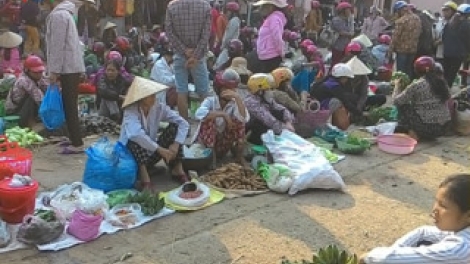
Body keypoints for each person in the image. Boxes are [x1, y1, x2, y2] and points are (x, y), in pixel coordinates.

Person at [359, 173, 470, 264]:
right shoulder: (462, 230)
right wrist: (395, 251)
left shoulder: (459, 249)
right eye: (436, 201)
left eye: (443, 206)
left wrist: (367, 258)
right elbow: (423, 232)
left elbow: (384, 259)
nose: (435, 209)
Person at [119, 77, 190, 191]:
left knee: (174, 128)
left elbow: (183, 123)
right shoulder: (131, 110)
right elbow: (134, 134)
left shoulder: (158, 107)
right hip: (131, 158)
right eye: (151, 95)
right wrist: (160, 149)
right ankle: (144, 178)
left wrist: (176, 145)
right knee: (134, 140)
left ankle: (177, 169)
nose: (154, 98)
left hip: (150, 154)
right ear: (141, 98)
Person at [45, 0, 86, 154]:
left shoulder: (59, 16)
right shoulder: (66, 14)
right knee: (69, 104)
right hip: (71, 66)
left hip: (67, 67)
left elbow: (57, 45)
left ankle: (77, 143)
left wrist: (53, 70)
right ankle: (73, 138)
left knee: (69, 105)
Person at [193, 69, 250, 168]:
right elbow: (199, 114)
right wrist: (223, 115)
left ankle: (239, 157)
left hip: (223, 143)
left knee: (239, 123)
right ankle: (212, 160)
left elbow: (244, 119)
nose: (231, 92)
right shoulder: (210, 101)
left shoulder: (234, 103)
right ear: (219, 89)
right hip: (206, 145)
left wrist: (238, 98)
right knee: (209, 120)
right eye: (227, 89)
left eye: (233, 90)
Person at [165, 0, 211, 122]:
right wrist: (195, 55)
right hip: (198, 57)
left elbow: (169, 32)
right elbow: (206, 34)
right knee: (203, 92)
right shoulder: (205, 5)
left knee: (181, 91)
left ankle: (184, 126)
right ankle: (205, 126)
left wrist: (184, 51)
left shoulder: (172, 6)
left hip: (180, 55)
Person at [393, 56, 451, 141]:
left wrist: (397, 86)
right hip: (444, 128)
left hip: (427, 128)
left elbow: (396, 101)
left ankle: (412, 132)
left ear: (417, 71)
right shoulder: (442, 83)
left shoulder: (417, 85)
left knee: (403, 106)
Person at [244, 73, 295, 145]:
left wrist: (288, 121)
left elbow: (281, 109)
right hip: (254, 132)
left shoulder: (266, 98)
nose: (271, 91)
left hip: (270, 127)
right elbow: (267, 119)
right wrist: (285, 129)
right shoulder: (251, 102)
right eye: (269, 89)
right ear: (260, 91)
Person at [5, 55, 47, 128]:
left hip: (22, 111)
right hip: (15, 113)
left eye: (40, 72)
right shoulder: (24, 80)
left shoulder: (37, 78)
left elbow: (47, 86)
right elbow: (40, 100)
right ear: (27, 70)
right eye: (36, 72)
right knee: (31, 98)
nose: (39, 74)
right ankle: (31, 124)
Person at [344, 56, 386, 120]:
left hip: (360, 100)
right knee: (350, 97)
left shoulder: (364, 78)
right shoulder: (345, 78)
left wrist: (359, 107)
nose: (356, 76)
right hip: (348, 101)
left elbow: (363, 95)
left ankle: (362, 110)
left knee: (382, 97)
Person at [388, 1, 422, 78]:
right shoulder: (417, 19)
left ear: (400, 10)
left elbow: (395, 38)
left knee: (400, 73)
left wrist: (389, 52)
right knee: (408, 71)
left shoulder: (401, 21)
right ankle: (408, 88)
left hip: (401, 50)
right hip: (413, 49)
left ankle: (400, 88)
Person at [254, 0, 288, 73]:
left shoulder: (274, 18)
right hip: (266, 56)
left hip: (271, 57)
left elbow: (277, 37)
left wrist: (281, 53)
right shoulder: (270, 18)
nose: (261, 8)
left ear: (271, 7)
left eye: (264, 5)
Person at [442, 3, 470, 87]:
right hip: (458, 54)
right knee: (451, 75)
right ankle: (446, 95)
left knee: (445, 74)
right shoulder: (467, 25)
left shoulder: (449, 23)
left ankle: (440, 92)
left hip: (447, 52)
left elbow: (443, 37)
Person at [214, 2, 241, 70]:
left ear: (232, 12)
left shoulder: (234, 21)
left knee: (218, 67)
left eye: (228, 11)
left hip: (228, 47)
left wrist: (222, 46)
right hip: (229, 47)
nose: (227, 13)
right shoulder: (234, 20)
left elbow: (228, 37)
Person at [330, 2, 354, 69]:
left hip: (347, 46)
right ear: (342, 10)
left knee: (345, 64)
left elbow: (351, 33)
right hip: (338, 45)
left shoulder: (350, 19)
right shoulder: (336, 20)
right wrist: (348, 33)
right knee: (336, 64)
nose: (349, 11)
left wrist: (347, 33)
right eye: (348, 9)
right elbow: (342, 32)